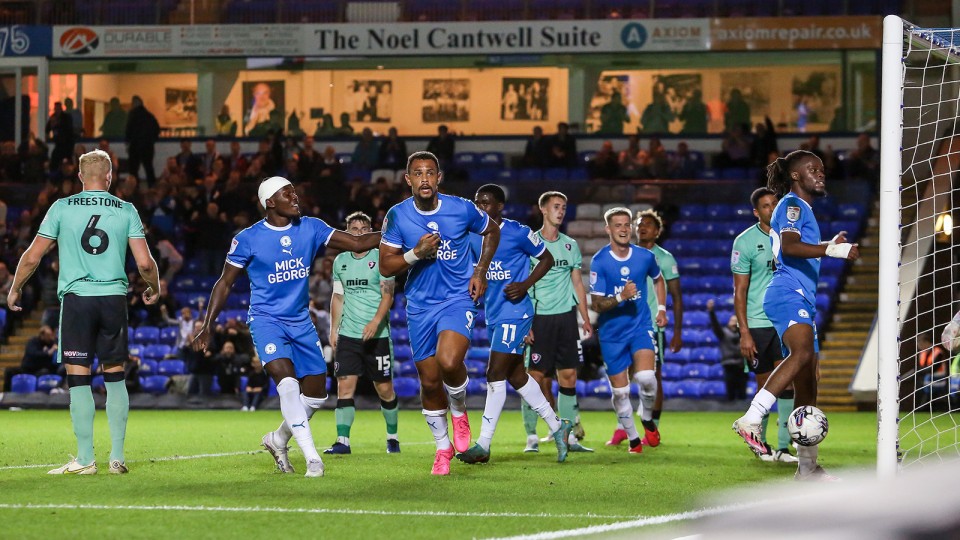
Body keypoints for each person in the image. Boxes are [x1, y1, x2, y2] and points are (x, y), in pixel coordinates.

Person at [192, 176, 382, 478]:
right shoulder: (248, 238)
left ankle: (278, 439)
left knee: (317, 395)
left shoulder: (311, 227)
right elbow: (225, 282)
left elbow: (358, 242)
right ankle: (312, 459)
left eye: (295, 192)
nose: (296, 197)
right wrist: (207, 325)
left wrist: (397, 234)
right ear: (270, 202)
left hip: (301, 322)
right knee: (288, 384)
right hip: (266, 321)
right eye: (288, 193)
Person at [7, 149, 161, 475]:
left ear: (80, 176)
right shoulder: (126, 209)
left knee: (79, 379)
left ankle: (85, 459)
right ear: (109, 177)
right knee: (115, 376)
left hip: (77, 299)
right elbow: (145, 263)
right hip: (113, 300)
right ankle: (117, 457)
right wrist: (154, 286)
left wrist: (16, 286)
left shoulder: (61, 207)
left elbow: (33, 256)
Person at [732, 150, 859, 481]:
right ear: (796, 176)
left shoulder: (804, 210)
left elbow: (795, 247)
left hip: (800, 296)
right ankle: (753, 417)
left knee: (808, 385)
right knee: (801, 354)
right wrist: (833, 249)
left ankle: (808, 468)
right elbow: (789, 246)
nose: (821, 173)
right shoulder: (792, 205)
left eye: (822, 169)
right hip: (787, 293)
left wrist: (826, 243)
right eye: (812, 169)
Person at [379, 151, 501, 475]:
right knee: (430, 382)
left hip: (458, 299)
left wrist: (480, 270)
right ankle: (442, 448)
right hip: (420, 306)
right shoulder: (397, 216)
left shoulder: (461, 208)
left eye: (430, 173)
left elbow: (492, 231)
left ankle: (460, 411)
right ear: (408, 180)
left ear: (439, 177)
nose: (424, 179)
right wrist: (414, 253)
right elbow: (386, 265)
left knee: (449, 361)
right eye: (417, 174)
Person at [456, 184, 569, 464]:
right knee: (517, 375)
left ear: (500, 207)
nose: (481, 207)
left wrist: (525, 284)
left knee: (494, 373)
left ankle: (483, 444)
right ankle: (558, 426)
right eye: (477, 202)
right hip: (493, 312)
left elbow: (547, 258)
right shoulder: (473, 236)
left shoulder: (518, 232)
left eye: (486, 203)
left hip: (516, 311)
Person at [521, 191, 594, 454]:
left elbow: (577, 282)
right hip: (539, 318)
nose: (561, 211)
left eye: (563, 207)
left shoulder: (569, 244)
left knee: (569, 376)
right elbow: (523, 285)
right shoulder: (530, 243)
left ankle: (568, 435)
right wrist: (525, 322)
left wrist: (585, 318)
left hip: (566, 318)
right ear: (542, 209)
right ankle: (531, 436)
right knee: (534, 377)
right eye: (555, 207)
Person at [590, 207, 666, 454]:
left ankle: (645, 417)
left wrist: (662, 308)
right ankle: (633, 439)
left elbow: (658, 279)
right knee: (621, 393)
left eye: (626, 225)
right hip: (611, 334)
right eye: (617, 225)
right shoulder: (600, 261)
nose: (623, 229)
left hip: (639, 326)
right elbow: (597, 304)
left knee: (646, 378)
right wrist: (621, 296)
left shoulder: (644, 257)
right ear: (608, 230)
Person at [325, 211, 401, 455]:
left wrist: (376, 322)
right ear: (347, 233)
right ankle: (342, 441)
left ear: (371, 232)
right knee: (344, 387)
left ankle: (392, 437)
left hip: (376, 336)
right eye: (353, 229)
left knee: (384, 390)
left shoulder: (382, 258)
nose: (358, 232)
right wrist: (333, 329)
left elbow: (388, 293)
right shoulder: (340, 261)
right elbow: (338, 296)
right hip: (348, 334)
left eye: (363, 228)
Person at [731, 187, 797, 462]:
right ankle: (761, 445)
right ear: (757, 212)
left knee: (789, 383)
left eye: (775, 204)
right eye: (766, 206)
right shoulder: (745, 242)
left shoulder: (792, 238)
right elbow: (740, 290)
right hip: (758, 323)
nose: (772, 209)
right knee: (764, 385)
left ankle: (783, 448)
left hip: (786, 320)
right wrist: (744, 332)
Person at [607, 210, 683, 445]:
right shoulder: (623, 255)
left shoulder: (665, 259)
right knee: (622, 376)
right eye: (639, 224)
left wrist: (677, 332)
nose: (642, 228)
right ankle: (622, 427)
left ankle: (652, 427)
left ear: (657, 231)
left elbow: (677, 297)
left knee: (651, 376)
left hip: (649, 327)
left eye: (648, 225)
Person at [707, 299, 747, 400]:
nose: (733, 323)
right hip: (729, 365)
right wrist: (711, 312)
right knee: (730, 392)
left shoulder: (743, 334)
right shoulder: (723, 334)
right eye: (732, 321)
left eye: (735, 321)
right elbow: (716, 326)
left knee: (742, 393)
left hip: (741, 365)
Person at [125, 95, 160, 186]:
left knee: (133, 170)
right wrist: (151, 139)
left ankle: (134, 188)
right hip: (148, 146)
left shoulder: (132, 115)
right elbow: (157, 130)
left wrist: (128, 142)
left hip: (135, 146)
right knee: (149, 168)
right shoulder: (149, 116)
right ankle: (152, 187)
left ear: (135, 103)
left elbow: (128, 130)